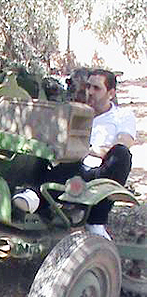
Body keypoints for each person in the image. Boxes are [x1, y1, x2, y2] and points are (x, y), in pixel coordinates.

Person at [14, 69, 136, 240]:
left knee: (122, 156)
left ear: (111, 93)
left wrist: (87, 149)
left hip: (99, 173)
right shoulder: (77, 112)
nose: (90, 92)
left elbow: (122, 145)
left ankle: (96, 222)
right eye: (88, 87)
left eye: (96, 88)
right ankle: (34, 196)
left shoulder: (122, 116)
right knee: (47, 146)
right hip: (70, 165)